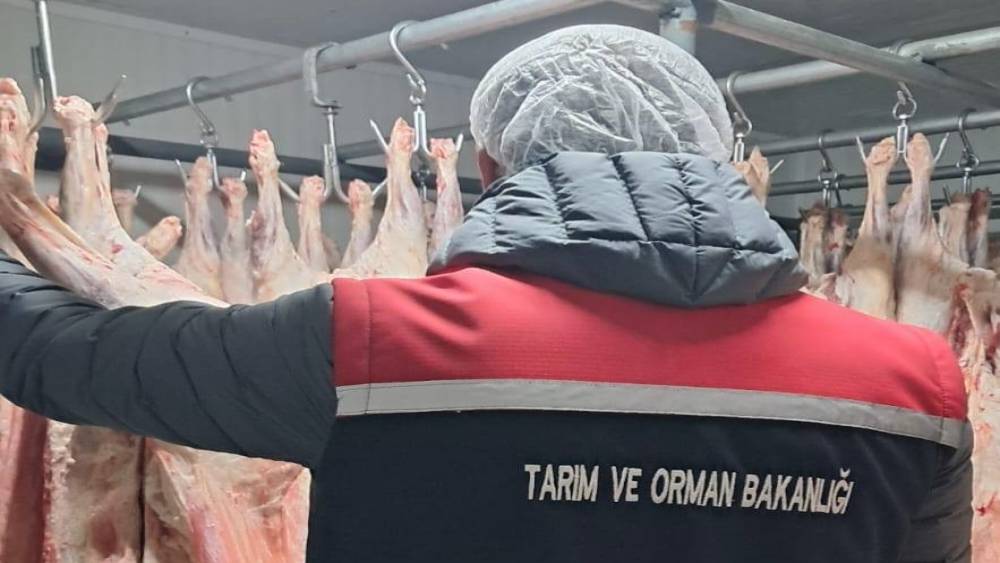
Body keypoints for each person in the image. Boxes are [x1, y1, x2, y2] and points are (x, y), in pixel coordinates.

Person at [0, 25, 971, 563]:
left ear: (489, 165)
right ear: (719, 159)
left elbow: (52, 353)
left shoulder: (368, 344)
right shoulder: (911, 384)